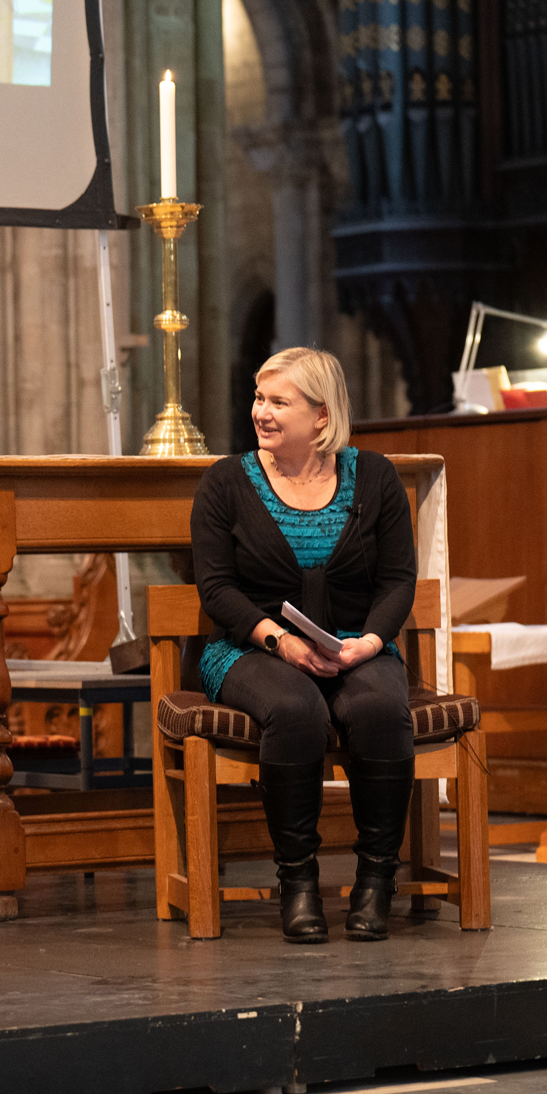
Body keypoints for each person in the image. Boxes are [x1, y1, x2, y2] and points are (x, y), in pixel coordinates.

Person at [189, 347, 417, 944]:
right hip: (252, 649)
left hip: (356, 647)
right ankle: (298, 883)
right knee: (294, 711)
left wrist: (371, 641)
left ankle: (376, 882)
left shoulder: (375, 477)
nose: (261, 412)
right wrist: (281, 642)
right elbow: (216, 589)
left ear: (321, 415)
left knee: (376, 709)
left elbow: (397, 580)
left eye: (278, 401)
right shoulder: (226, 483)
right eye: (259, 398)